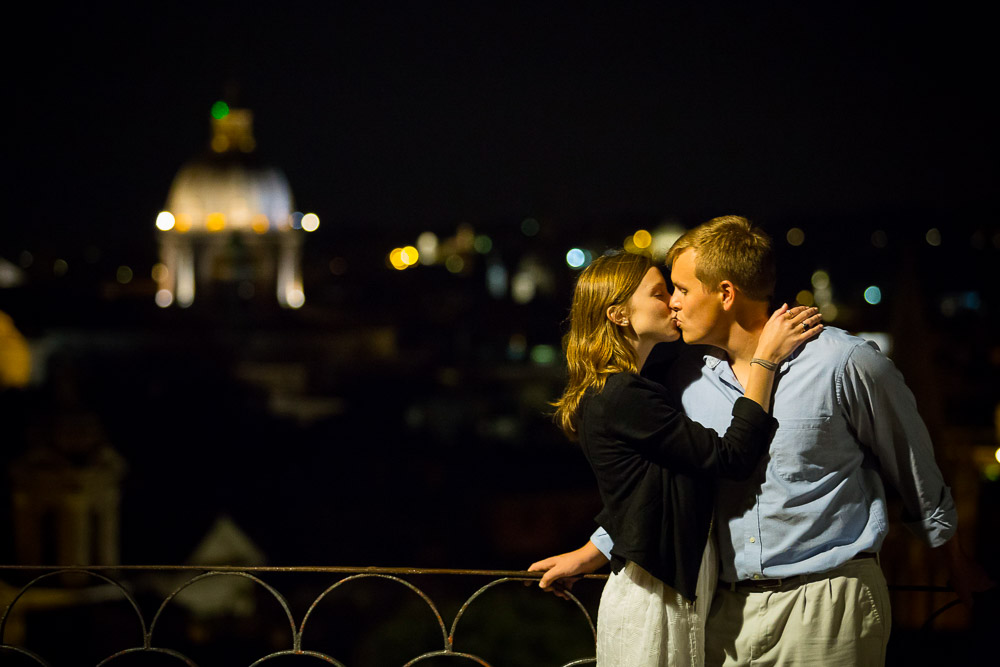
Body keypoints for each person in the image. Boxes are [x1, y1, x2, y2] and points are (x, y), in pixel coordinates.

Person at [530, 216, 994, 666]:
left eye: (683, 290)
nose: (673, 302)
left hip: (825, 607)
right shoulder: (683, 379)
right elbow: (663, 483)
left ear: (726, 294)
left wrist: (954, 562)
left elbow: (913, 469)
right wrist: (597, 549)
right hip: (722, 615)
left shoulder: (844, 363)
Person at [546, 249, 821, 666]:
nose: (673, 301)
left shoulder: (622, 390)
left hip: (662, 592)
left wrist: (593, 550)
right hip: (654, 598)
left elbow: (645, 490)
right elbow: (732, 458)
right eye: (660, 292)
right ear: (619, 315)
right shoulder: (624, 395)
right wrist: (765, 359)